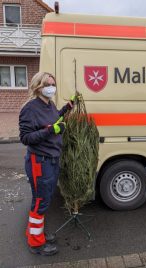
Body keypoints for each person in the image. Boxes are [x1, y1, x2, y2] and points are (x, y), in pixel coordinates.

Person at [19, 71, 75, 256]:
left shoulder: (49, 104)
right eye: (47, 84)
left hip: (51, 160)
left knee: (44, 199)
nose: (51, 87)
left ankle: (35, 233)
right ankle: (36, 244)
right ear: (38, 86)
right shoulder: (30, 108)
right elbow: (26, 138)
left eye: (53, 83)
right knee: (40, 202)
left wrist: (66, 108)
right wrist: (51, 131)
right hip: (39, 162)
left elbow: (53, 119)